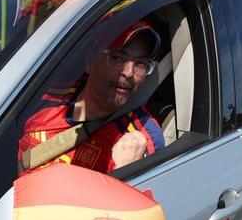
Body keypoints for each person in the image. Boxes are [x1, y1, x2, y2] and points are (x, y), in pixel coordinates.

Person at [19, 20, 165, 173]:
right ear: (90, 60)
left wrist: (127, 171)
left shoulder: (142, 139)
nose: (128, 72)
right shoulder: (43, 99)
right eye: (117, 57)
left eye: (141, 63)